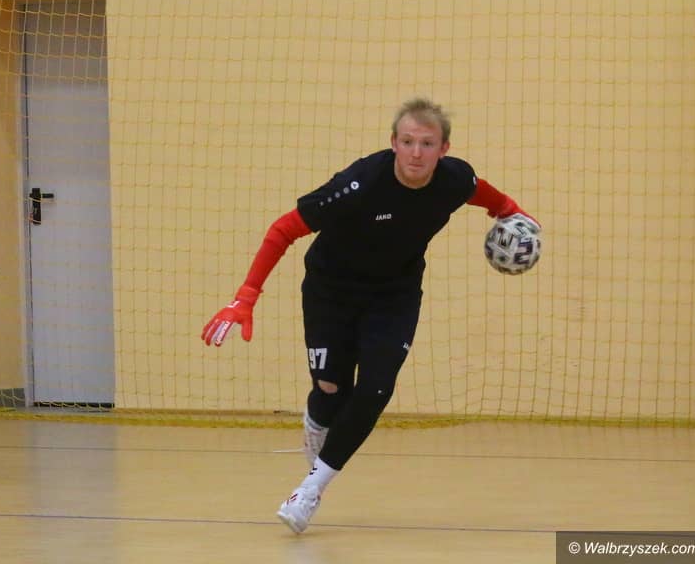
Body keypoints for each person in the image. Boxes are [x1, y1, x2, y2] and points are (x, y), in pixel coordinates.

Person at [201, 97, 540, 533]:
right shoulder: (359, 183)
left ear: (444, 149)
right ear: (393, 143)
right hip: (330, 291)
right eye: (408, 141)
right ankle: (318, 418)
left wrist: (514, 214)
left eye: (427, 143)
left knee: (377, 387)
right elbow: (283, 229)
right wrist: (246, 297)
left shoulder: (455, 179)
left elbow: (491, 197)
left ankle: (309, 491)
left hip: (394, 296)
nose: (416, 153)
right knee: (331, 391)